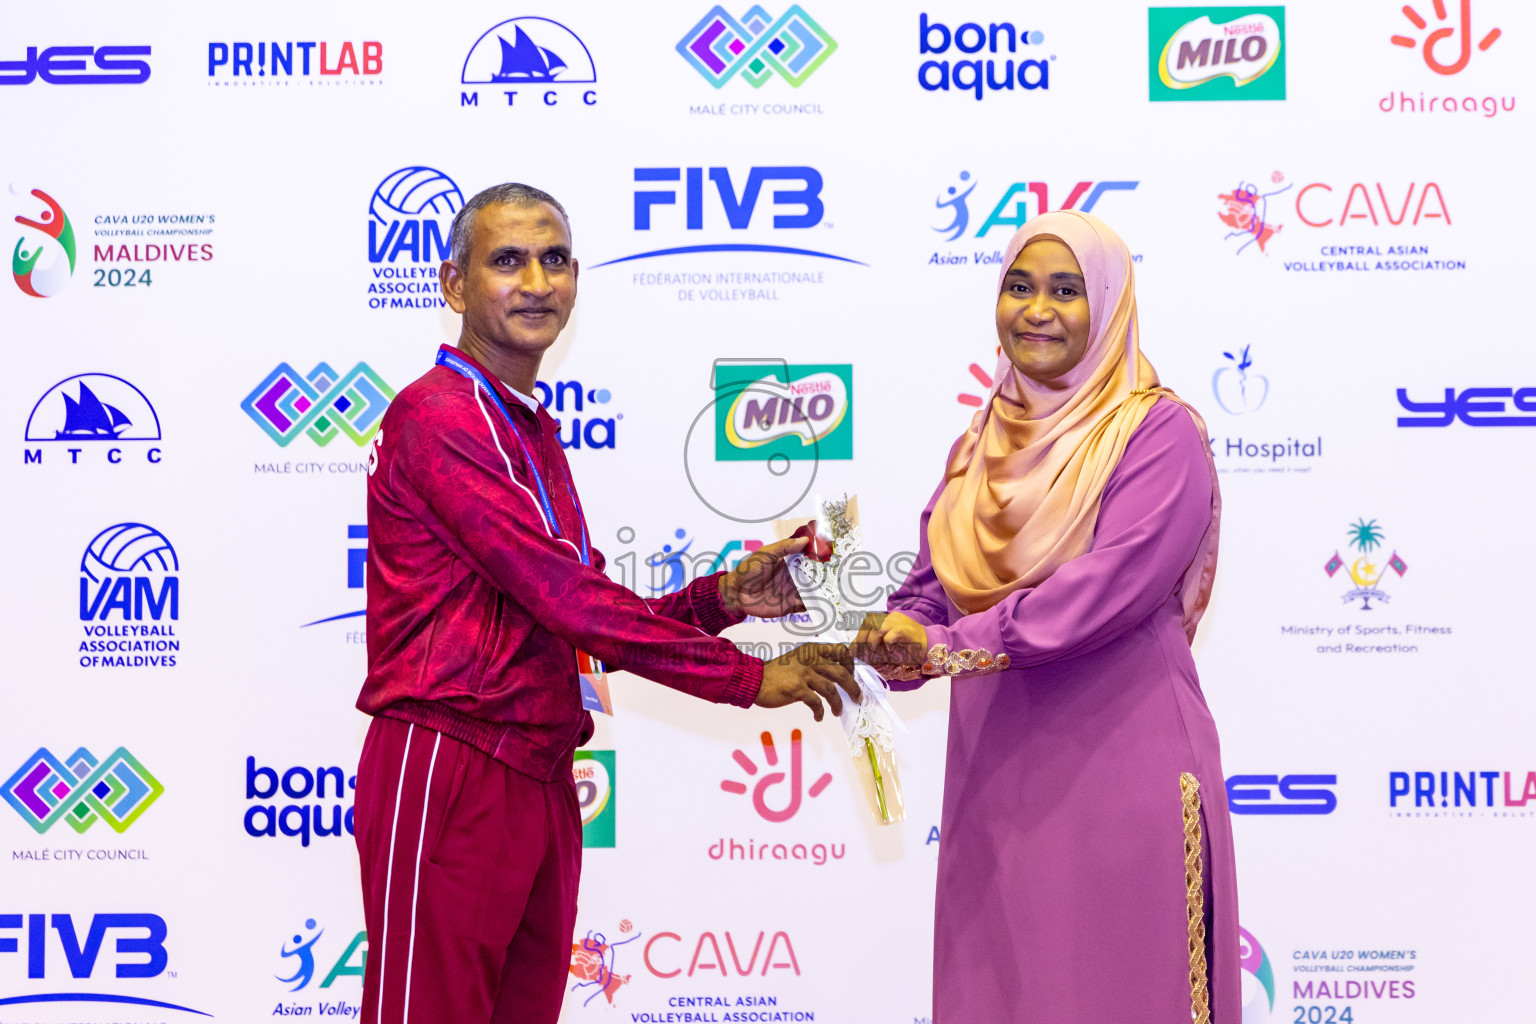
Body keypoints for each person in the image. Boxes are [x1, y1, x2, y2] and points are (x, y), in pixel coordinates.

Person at [352, 182, 858, 1024]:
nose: (536, 281)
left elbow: (568, 611)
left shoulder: (524, 425)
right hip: (451, 761)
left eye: (554, 260)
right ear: (453, 286)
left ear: (577, 279)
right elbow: (565, 597)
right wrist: (745, 679)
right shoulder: (439, 416)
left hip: (540, 772)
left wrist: (717, 600)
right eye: (507, 260)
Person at [858, 211, 1238, 1022]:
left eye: (1066, 291)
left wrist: (946, 648)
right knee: (1007, 993)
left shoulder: (1156, 433)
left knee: (1125, 991)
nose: (1038, 310)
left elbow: (1102, 594)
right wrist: (902, 631)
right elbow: (938, 577)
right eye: (1019, 287)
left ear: (1107, 306)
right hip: (997, 774)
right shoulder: (985, 439)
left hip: (1117, 766)